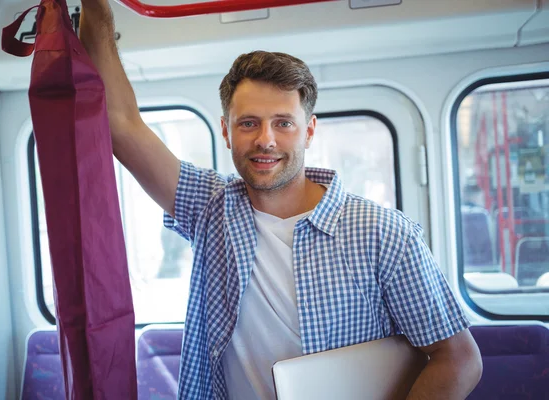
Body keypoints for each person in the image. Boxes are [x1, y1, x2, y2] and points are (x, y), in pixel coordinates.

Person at [80, 1, 483, 399]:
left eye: (283, 123)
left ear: (309, 131)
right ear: (226, 131)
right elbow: (121, 125)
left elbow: (458, 359)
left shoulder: (384, 233)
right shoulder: (209, 207)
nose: (265, 140)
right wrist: (96, 9)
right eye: (249, 123)